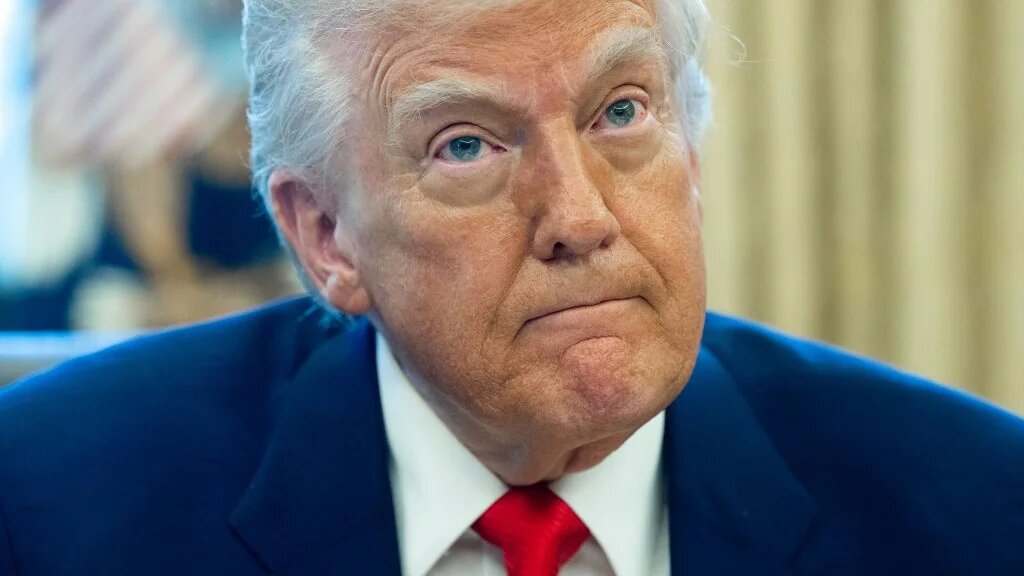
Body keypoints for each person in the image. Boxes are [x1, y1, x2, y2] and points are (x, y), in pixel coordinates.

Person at [1, 1, 1022, 574]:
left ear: (695, 161)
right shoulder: (49, 507)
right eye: (464, 145)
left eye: (620, 113)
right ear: (324, 237)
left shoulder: (977, 512)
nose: (580, 217)